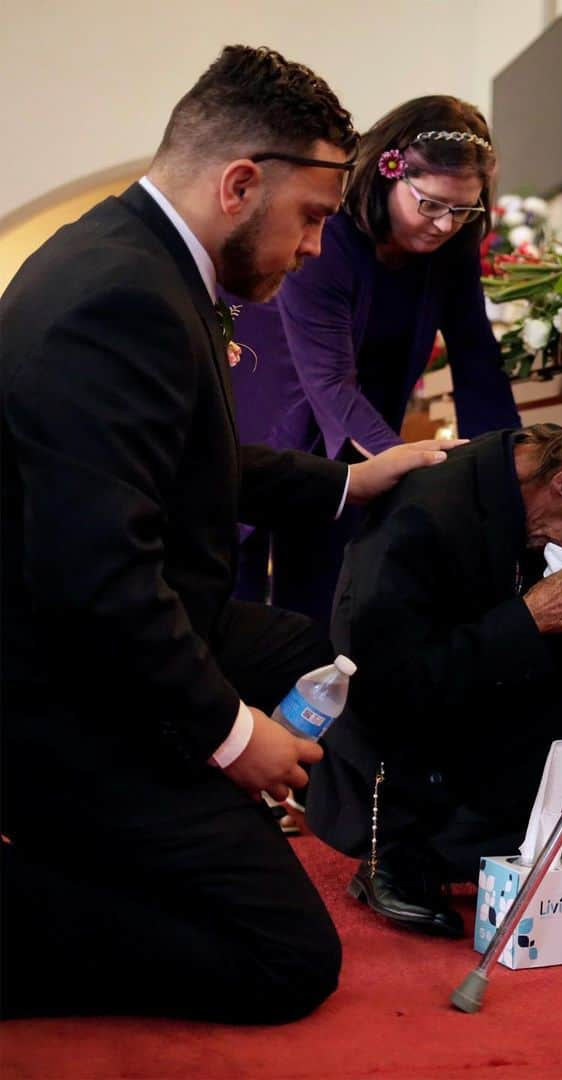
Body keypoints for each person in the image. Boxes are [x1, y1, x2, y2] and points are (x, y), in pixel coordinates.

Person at [0, 45, 458, 1024]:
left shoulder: (142, 264)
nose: (314, 251)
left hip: (92, 637)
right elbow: (95, 577)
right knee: (284, 960)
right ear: (242, 182)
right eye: (314, 220)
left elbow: (194, 462)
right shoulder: (116, 296)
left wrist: (350, 479)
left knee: (310, 647)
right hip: (56, 688)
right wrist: (230, 734)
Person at [306, 413, 562, 938]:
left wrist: (561, 618)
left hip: (482, 720)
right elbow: (386, 689)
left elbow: (554, 670)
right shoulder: (429, 511)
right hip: (402, 761)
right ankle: (407, 857)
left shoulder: (529, 485)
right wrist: (528, 619)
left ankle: (497, 836)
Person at [226, 94, 520, 629]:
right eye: (429, 204)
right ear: (390, 173)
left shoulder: (452, 240)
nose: (443, 225)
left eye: (462, 210)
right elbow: (330, 382)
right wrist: (415, 468)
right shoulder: (329, 234)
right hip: (277, 396)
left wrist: (508, 469)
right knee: (239, 587)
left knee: (326, 601)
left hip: (363, 415)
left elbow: (476, 356)